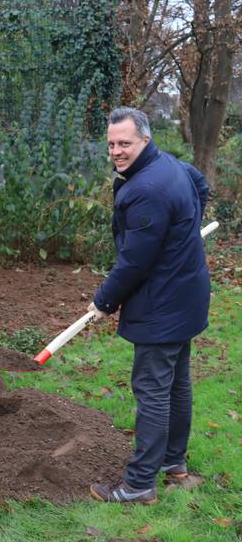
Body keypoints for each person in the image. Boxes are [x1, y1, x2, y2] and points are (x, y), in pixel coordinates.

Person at [88, 107, 210, 504]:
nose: (116, 151)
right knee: (176, 383)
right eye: (111, 144)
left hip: (163, 303)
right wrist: (183, 235)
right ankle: (174, 464)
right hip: (186, 294)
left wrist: (104, 300)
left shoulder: (146, 190)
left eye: (124, 143)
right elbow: (201, 184)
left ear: (145, 139)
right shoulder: (170, 166)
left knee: (154, 389)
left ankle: (139, 483)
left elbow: (134, 261)